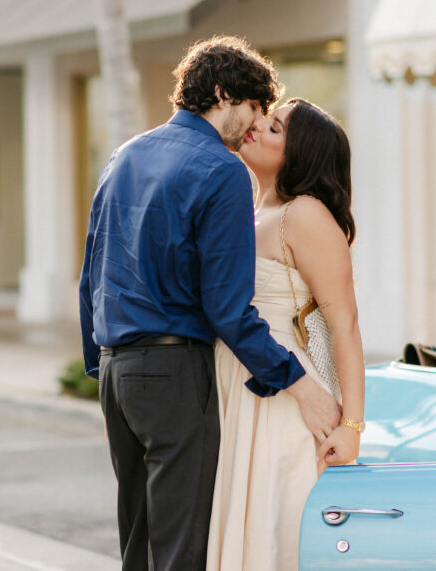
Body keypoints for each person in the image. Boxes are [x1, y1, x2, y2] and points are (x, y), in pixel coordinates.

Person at [79, 38, 341, 571]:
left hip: (115, 372)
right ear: (223, 94)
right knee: (181, 548)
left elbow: (90, 280)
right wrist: (300, 383)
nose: (253, 127)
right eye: (252, 110)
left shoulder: (123, 155)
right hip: (174, 373)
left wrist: (103, 373)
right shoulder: (220, 169)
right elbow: (228, 308)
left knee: (140, 542)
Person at [207, 97, 366, 571]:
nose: (256, 127)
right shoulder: (249, 209)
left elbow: (346, 324)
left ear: (298, 155)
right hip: (235, 384)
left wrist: (352, 425)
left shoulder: (305, 214)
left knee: (275, 526)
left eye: (273, 127)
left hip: (283, 396)